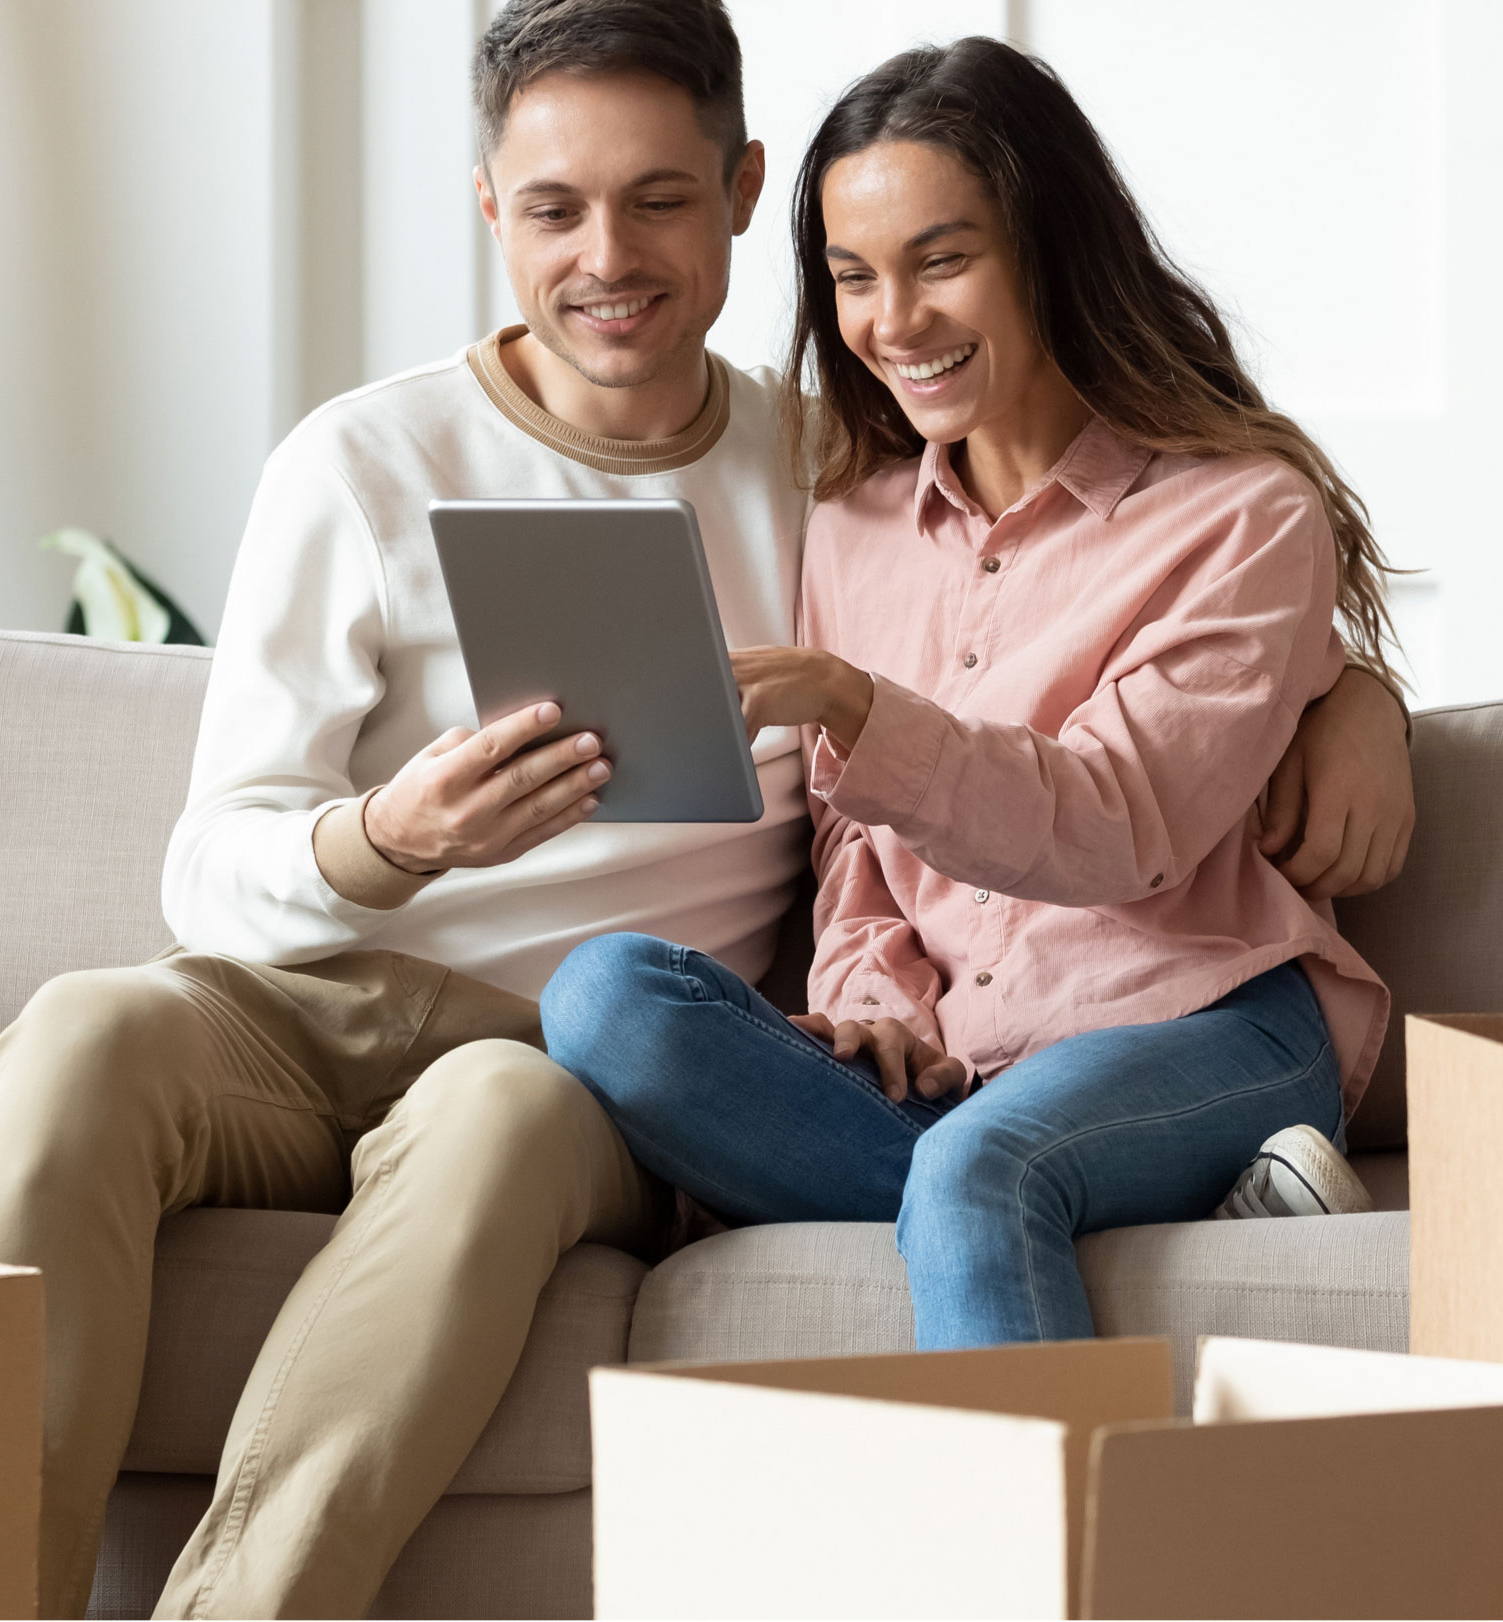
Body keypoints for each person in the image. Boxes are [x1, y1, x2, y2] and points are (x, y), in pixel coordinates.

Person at [0, 4, 1419, 1615]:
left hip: (573, 1064)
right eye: (555, 207)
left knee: (554, 1063)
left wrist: (1358, 695)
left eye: (657, 198)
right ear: (489, 207)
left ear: (735, 192)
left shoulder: (823, 464)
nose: (606, 255)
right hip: (340, 1000)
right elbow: (212, 864)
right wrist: (396, 841)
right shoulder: (378, 465)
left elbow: (1129, 624)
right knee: (86, 1032)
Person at [542, 36, 1397, 1351]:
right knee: (604, 1001)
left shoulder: (1239, 514)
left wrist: (852, 703)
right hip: (967, 1072)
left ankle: (1045, 1536)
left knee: (978, 1171)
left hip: (1204, 1022)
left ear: (1052, 246)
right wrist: (877, 997)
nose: (895, 322)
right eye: (853, 278)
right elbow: (857, 849)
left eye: (943, 260)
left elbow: (1124, 819)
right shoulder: (853, 522)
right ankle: (1100, 1208)